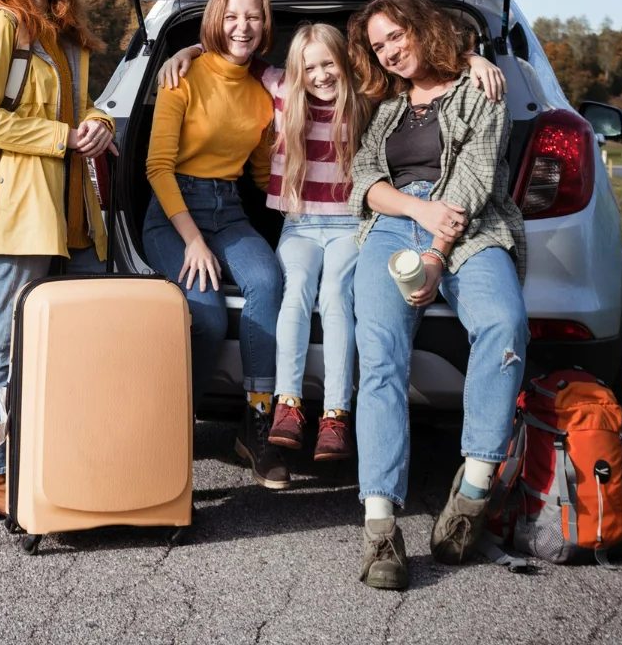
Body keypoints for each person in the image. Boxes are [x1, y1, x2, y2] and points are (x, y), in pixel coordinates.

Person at [157, 23, 504, 465]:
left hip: (348, 226)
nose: (320, 75)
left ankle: (335, 414)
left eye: (329, 65)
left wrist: (472, 59)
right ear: (295, 73)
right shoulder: (281, 87)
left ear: (346, 64)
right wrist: (187, 50)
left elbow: (419, 71)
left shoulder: (366, 94)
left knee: (338, 295)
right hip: (299, 225)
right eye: (310, 68)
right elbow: (234, 53)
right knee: (295, 290)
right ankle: (287, 405)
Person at [346, 0, 527, 591]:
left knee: (504, 326)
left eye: (397, 36)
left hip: (469, 228)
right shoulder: (384, 104)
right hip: (395, 224)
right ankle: (380, 530)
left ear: (424, 28)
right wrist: (411, 215)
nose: (390, 52)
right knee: (378, 356)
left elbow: (474, 179)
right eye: (379, 46)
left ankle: (471, 495)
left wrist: (435, 255)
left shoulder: (482, 88)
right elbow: (365, 178)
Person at [0, 0, 116, 523]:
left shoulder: (66, 33)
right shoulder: (3, 25)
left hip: (76, 214)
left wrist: (97, 126)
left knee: (85, 343)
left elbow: (86, 108)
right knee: (4, 348)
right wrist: (61, 138)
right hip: (22, 213)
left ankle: (66, 459)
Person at [143, 0, 287, 489]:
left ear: (264, 24)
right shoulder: (181, 75)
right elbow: (157, 168)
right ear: (215, 22)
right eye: (231, 16)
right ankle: (172, 428)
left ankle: (257, 426)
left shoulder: (264, 96)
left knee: (267, 281)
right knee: (205, 315)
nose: (242, 26)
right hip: (173, 212)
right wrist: (194, 242)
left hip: (227, 209)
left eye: (252, 16)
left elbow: (257, 173)